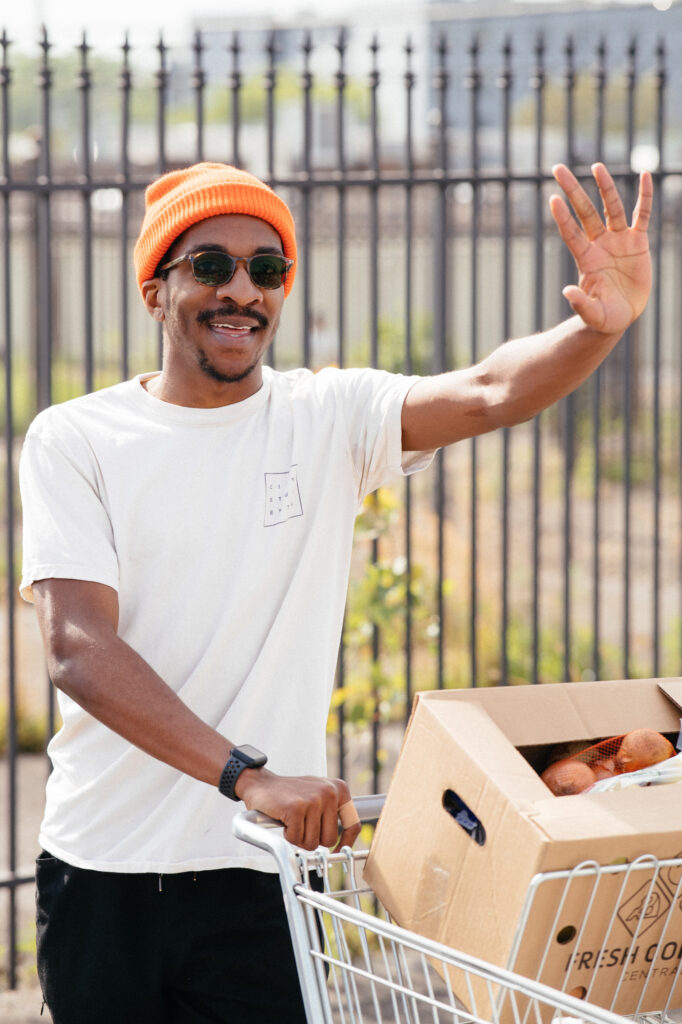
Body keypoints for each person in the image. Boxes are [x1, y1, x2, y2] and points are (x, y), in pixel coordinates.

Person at [19, 160, 652, 1024]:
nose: (241, 290)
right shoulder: (77, 438)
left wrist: (598, 331)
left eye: (266, 268)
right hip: (101, 872)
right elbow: (77, 648)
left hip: (259, 873)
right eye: (210, 265)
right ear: (154, 289)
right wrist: (249, 776)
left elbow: (490, 390)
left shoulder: (326, 415)